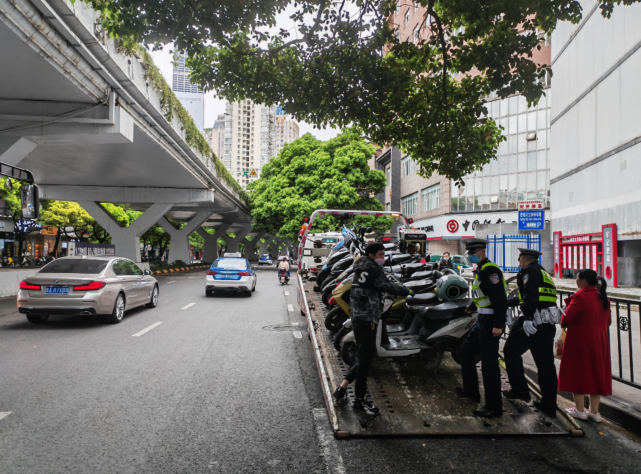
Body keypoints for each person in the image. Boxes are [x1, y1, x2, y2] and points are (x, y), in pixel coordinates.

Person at [332, 242, 411, 415]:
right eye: (381, 254)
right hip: (368, 319)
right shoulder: (374, 270)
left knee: (363, 358)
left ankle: (342, 387)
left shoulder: (360, 267)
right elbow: (388, 286)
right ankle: (359, 402)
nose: (383, 258)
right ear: (371, 255)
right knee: (365, 361)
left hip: (358, 316)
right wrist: (406, 290)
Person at [503, 248, 560, 418]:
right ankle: (549, 405)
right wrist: (509, 302)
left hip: (532, 322)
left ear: (523, 259)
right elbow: (530, 296)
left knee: (510, 351)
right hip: (546, 324)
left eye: (519, 258)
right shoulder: (543, 273)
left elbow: (530, 296)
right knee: (545, 366)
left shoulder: (528, 271)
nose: (519, 261)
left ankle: (520, 390)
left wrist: (527, 317)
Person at [457, 239, 508, 418]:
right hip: (482, 319)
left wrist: (498, 324)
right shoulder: (480, 269)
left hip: (491, 321)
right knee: (465, 351)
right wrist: (472, 306)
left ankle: (494, 407)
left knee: (489, 365)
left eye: (472, 252)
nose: (469, 255)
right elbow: (482, 293)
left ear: (481, 251)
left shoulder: (490, 270)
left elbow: (500, 299)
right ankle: (471, 390)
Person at [558, 269, 612, 422]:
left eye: (577, 277)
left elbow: (566, 320)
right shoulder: (604, 299)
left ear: (583, 280)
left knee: (578, 372)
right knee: (596, 373)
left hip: (580, 341)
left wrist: (562, 313)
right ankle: (594, 413)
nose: (575, 280)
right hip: (600, 342)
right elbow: (607, 322)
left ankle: (579, 410)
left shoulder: (580, 297)